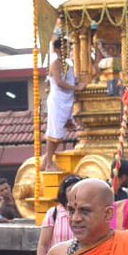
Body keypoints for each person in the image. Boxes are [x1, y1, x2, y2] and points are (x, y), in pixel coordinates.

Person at [43, 43, 78, 171]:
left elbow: (71, 80)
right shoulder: (55, 64)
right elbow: (59, 82)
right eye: (64, 48)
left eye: (69, 48)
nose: (67, 50)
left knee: (61, 134)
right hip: (57, 101)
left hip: (67, 101)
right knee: (54, 132)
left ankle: (46, 160)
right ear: (57, 50)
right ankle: (49, 164)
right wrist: (76, 88)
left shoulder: (69, 65)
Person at [37, 175, 81, 255]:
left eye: (77, 188)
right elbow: (42, 245)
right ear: (63, 193)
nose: (74, 192)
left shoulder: (85, 213)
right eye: (70, 189)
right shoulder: (53, 213)